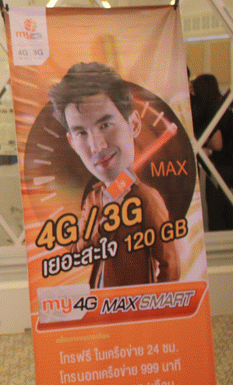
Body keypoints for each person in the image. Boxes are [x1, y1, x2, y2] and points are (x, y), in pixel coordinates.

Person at [48, 62, 180, 287]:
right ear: (72, 142)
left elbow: (171, 266)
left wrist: (153, 302)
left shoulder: (146, 199)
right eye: (81, 133)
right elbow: (77, 251)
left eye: (105, 125)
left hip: (135, 303)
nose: (97, 146)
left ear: (134, 124)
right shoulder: (94, 198)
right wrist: (103, 220)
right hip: (99, 301)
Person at [191, 73, 233, 230]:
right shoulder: (231, 104)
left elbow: (217, 144)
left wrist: (202, 142)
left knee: (218, 217)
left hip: (222, 169)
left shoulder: (211, 108)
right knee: (231, 212)